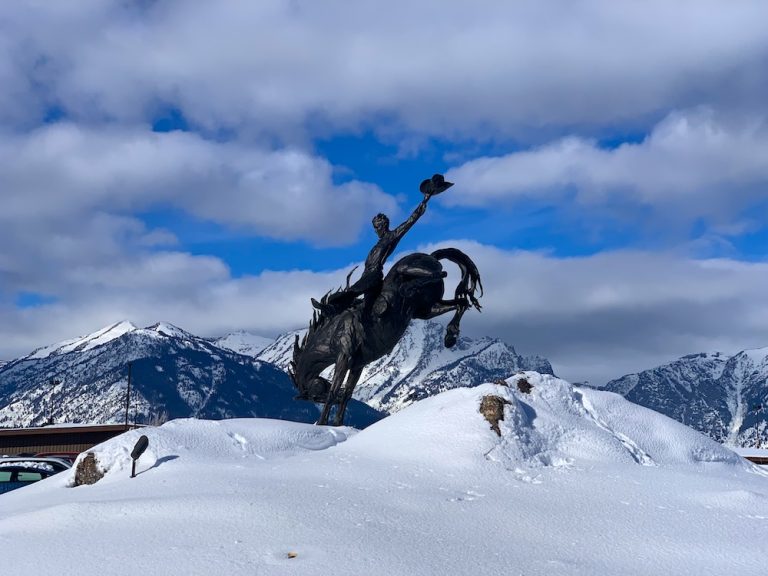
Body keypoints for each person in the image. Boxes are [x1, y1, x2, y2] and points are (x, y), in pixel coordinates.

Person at [312, 174, 453, 316]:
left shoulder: (392, 236)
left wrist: (424, 202)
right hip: (366, 275)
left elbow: (409, 222)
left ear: (383, 225)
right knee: (363, 309)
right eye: (374, 227)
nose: (375, 230)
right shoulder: (379, 242)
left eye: (377, 227)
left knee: (352, 291)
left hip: (373, 275)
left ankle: (331, 309)